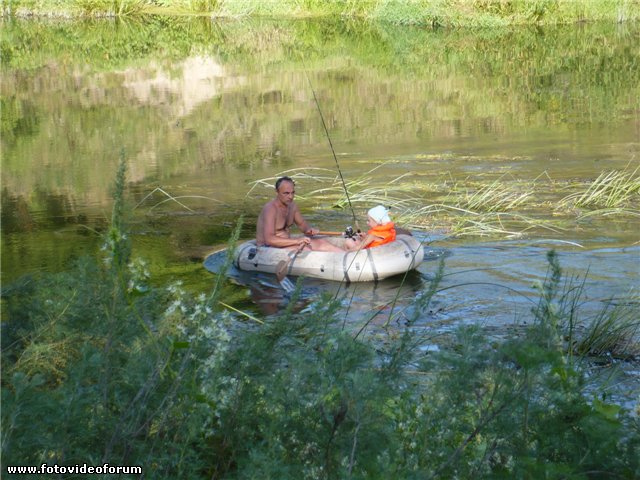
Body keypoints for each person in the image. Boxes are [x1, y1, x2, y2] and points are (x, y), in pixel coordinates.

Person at [256, 176, 344, 252]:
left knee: (322, 243)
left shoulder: (292, 206)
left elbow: (302, 225)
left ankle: (347, 257)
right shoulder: (270, 209)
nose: (290, 197)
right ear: (277, 192)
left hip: (286, 244)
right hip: (267, 249)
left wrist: (310, 229)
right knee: (307, 250)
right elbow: (269, 240)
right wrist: (297, 241)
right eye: (286, 193)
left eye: (292, 193)